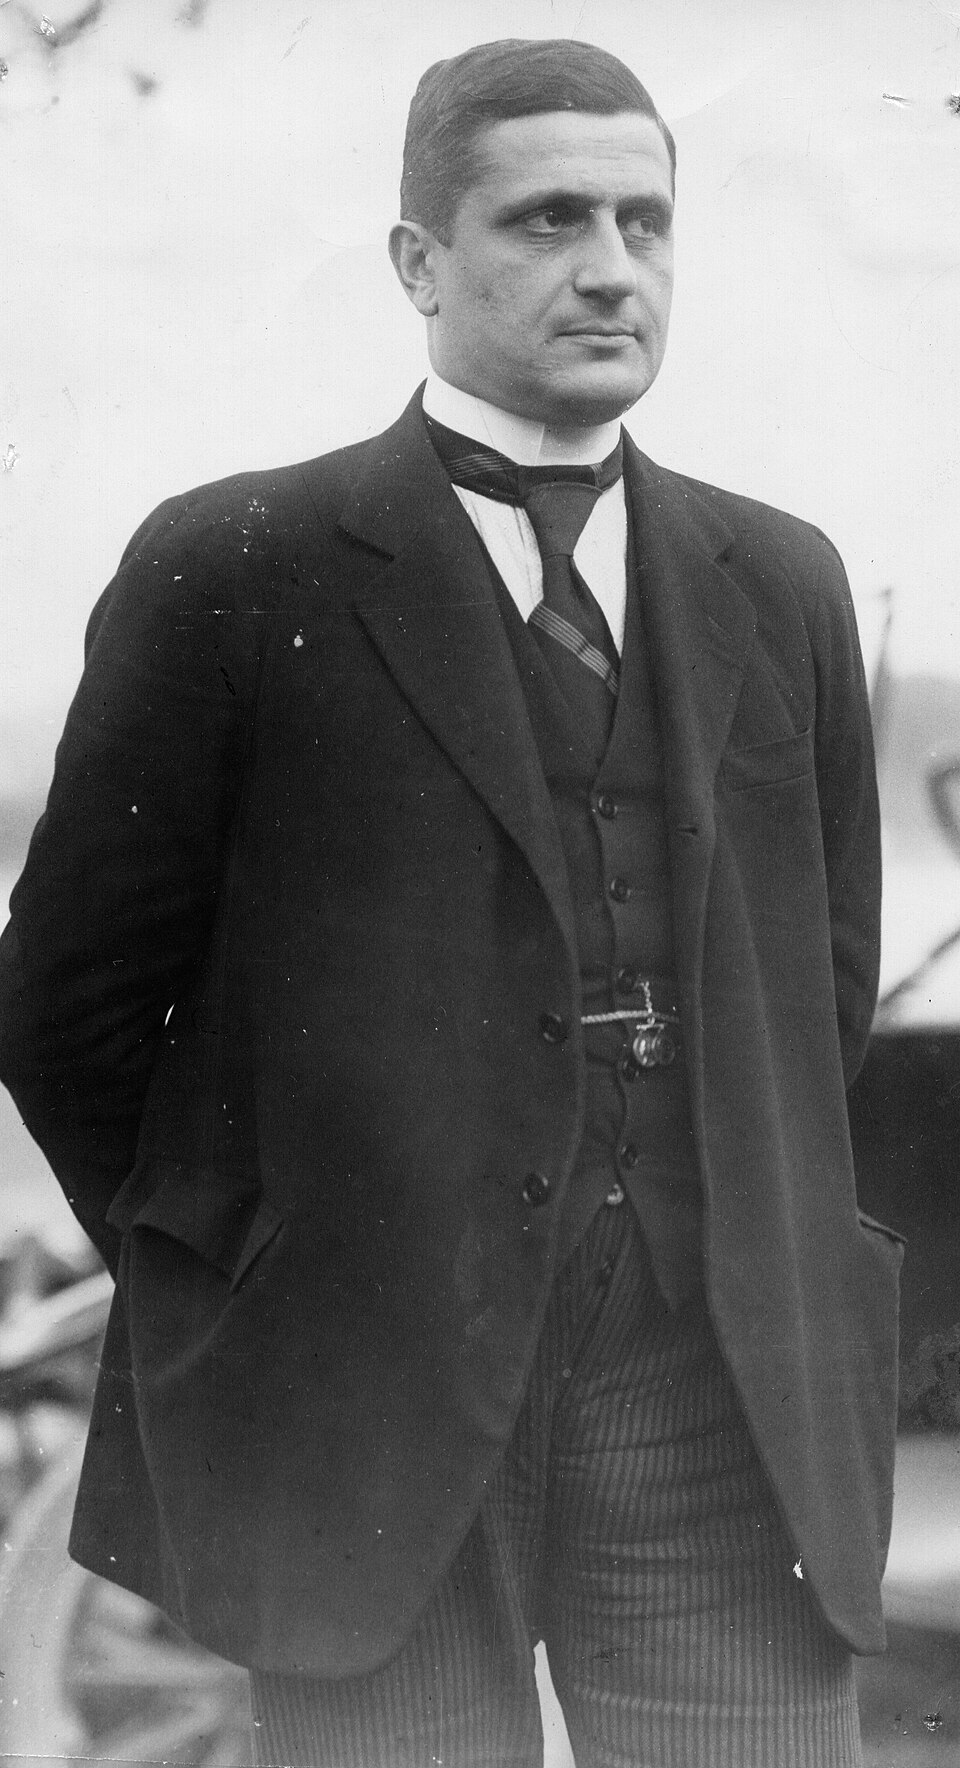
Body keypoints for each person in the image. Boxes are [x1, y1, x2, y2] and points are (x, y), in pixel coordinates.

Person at [0, 36, 902, 1768]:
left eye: (645, 221)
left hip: (716, 1380)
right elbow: (70, 1009)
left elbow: (823, 985)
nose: (612, 268)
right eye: (548, 219)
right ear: (418, 263)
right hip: (358, 1398)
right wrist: (256, 1277)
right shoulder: (234, 565)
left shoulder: (779, 576)